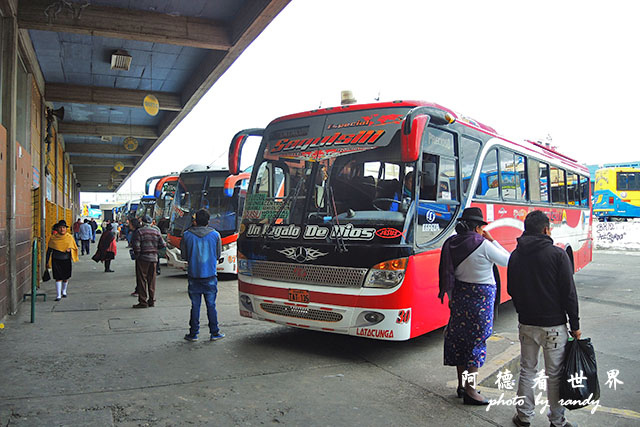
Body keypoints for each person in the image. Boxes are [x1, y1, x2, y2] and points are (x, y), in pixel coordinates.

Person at [508, 210, 581, 427]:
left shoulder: (516, 255)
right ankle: (557, 422)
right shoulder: (557, 255)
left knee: (527, 370)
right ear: (546, 229)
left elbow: (512, 289)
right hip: (554, 326)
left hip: (527, 324)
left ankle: (523, 417)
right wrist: (575, 325)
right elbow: (569, 293)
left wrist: (523, 311)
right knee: (555, 375)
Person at [438, 207, 510, 405]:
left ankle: (462, 385)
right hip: (480, 300)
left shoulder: (451, 243)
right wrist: (492, 239)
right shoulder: (483, 245)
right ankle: (471, 391)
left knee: (460, 341)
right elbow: (509, 261)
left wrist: (452, 300)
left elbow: (448, 274)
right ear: (478, 228)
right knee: (475, 345)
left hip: (460, 297)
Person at [181, 209, 225, 342]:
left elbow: (184, 255)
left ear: (195, 221)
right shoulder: (215, 235)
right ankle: (214, 332)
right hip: (210, 275)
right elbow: (218, 255)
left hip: (194, 275)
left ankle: (193, 333)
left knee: (195, 305)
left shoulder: (186, 235)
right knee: (211, 304)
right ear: (208, 221)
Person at [131, 215, 165, 308]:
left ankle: (143, 301)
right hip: (153, 259)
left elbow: (136, 246)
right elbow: (162, 245)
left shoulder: (139, 232)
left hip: (143, 259)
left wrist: (137, 256)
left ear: (142, 222)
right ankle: (151, 300)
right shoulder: (156, 231)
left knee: (142, 280)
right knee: (152, 280)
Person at [46, 220, 79, 301]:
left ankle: (64, 291)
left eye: (63, 227)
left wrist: (70, 250)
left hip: (66, 260)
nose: (62, 229)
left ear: (66, 229)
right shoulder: (53, 238)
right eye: (60, 227)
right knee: (58, 277)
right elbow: (49, 250)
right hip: (56, 260)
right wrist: (46, 261)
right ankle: (58, 295)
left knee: (66, 277)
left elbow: (74, 248)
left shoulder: (69, 237)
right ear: (57, 228)